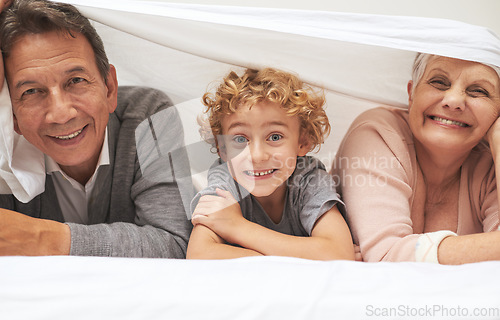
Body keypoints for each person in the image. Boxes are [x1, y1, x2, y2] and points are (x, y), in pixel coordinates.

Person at [0, 0, 192, 257]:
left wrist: (41, 238)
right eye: (32, 91)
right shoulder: (5, 150)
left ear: (109, 88)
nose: (60, 113)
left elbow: (174, 243)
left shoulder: (147, 114)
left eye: (76, 81)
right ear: (11, 114)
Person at [332, 53, 500, 264]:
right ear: (411, 95)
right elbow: (385, 258)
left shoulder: (491, 161)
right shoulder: (379, 132)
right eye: (439, 83)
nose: (454, 101)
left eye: (478, 91)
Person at [186, 68, 354, 260]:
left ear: (303, 142)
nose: (257, 156)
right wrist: (310, 255)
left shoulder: (308, 178)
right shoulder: (224, 181)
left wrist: (238, 227)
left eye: (274, 137)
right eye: (240, 139)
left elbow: (339, 253)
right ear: (222, 149)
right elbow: (199, 254)